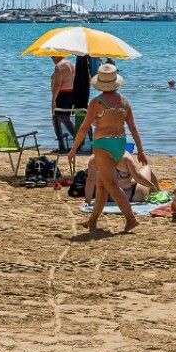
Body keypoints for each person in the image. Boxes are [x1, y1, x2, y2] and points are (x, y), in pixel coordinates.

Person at [69, 62, 146, 233]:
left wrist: (74, 149)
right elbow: (133, 127)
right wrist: (140, 150)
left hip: (103, 145)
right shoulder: (125, 102)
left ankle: (131, 219)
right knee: (102, 185)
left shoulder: (97, 102)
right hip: (120, 144)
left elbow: (84, 127)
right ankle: (93, 220)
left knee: (111, 184)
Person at [51, 54, 78, 153]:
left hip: (62, 94)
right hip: (70, 94)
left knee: (57, 120)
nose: (52, 59)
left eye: (52, 57)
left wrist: (54, 99)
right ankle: (74, 141)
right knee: (65, 119)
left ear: (58, 56)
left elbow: (58, 84)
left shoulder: (59, 66)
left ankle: (63, 145)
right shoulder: (71, 65)